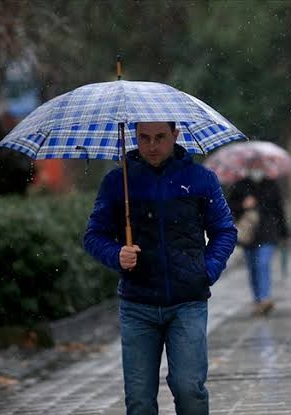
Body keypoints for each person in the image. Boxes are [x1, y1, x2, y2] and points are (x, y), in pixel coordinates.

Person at [84, 122, 237, 415]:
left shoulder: (200, 179)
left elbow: (225, 231)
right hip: (137, 304)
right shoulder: (119, 182)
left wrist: (207, 270)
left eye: (160, 137)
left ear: (175, 136)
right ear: (133, 137)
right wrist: (117, 254)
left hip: (187, 303)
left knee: (189, 388)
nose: (152, 146)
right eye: (144, 138)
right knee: (139, 400)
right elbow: (94, 236)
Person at [228, 161, 288, 315]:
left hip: (268, 232)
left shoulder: (271, 184)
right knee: (253, 267)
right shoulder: (240, 185)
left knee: (263, 263)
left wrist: (284, 233)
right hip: (249, 235)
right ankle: (257, 299)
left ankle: (264, 298)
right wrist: (243, 205)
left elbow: (279, 210)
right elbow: (229, 207)